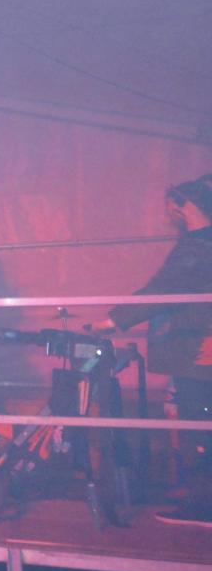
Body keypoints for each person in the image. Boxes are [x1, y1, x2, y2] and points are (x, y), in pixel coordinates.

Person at [96, 179, 212, 528]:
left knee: (199, 425)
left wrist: (114, 320)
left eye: (169, 205)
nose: (166, 212)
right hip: (199, 348)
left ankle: (203, 506)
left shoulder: (197, 246)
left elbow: (164, 289)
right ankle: (199, 495)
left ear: (182, 204)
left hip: (196, 350)